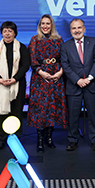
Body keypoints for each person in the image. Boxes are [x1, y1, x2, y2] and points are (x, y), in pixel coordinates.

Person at [61, 18, 95, 152]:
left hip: (91, 84)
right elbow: (65, 66)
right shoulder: (65, 45)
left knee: (93, 115)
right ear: (70, 30)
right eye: (74, 28)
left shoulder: (94, 41)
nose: (77, 30)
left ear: (84, 29)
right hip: (74, 86)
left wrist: (89, 78)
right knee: (73, 116)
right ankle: (72, 141)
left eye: (79, 28)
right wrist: (77, 80)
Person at [27, 14, 68, 153]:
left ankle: (49, 138)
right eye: (42, 23)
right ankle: (39, 139)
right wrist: (41, 72)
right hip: (40, 78)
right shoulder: (34, 40)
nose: (45, 26)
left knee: (53, 107)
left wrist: (60, 72)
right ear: (39, 25)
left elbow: (65, 59)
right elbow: (32, 60)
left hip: (56, 76)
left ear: (52, 25)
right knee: (41, 108)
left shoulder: (59, 40)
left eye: (48, 24)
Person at [0, 21, 30, 151]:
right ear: (2, 33)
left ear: (15, 33)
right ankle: (1, 139)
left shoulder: (21, 47)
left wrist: (14, 79)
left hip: (17, 85)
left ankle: (15, 138)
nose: (7, 33)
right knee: (1, 112)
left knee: (16, 112)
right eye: (5, 31)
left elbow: (25, 65)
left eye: (10, 31)